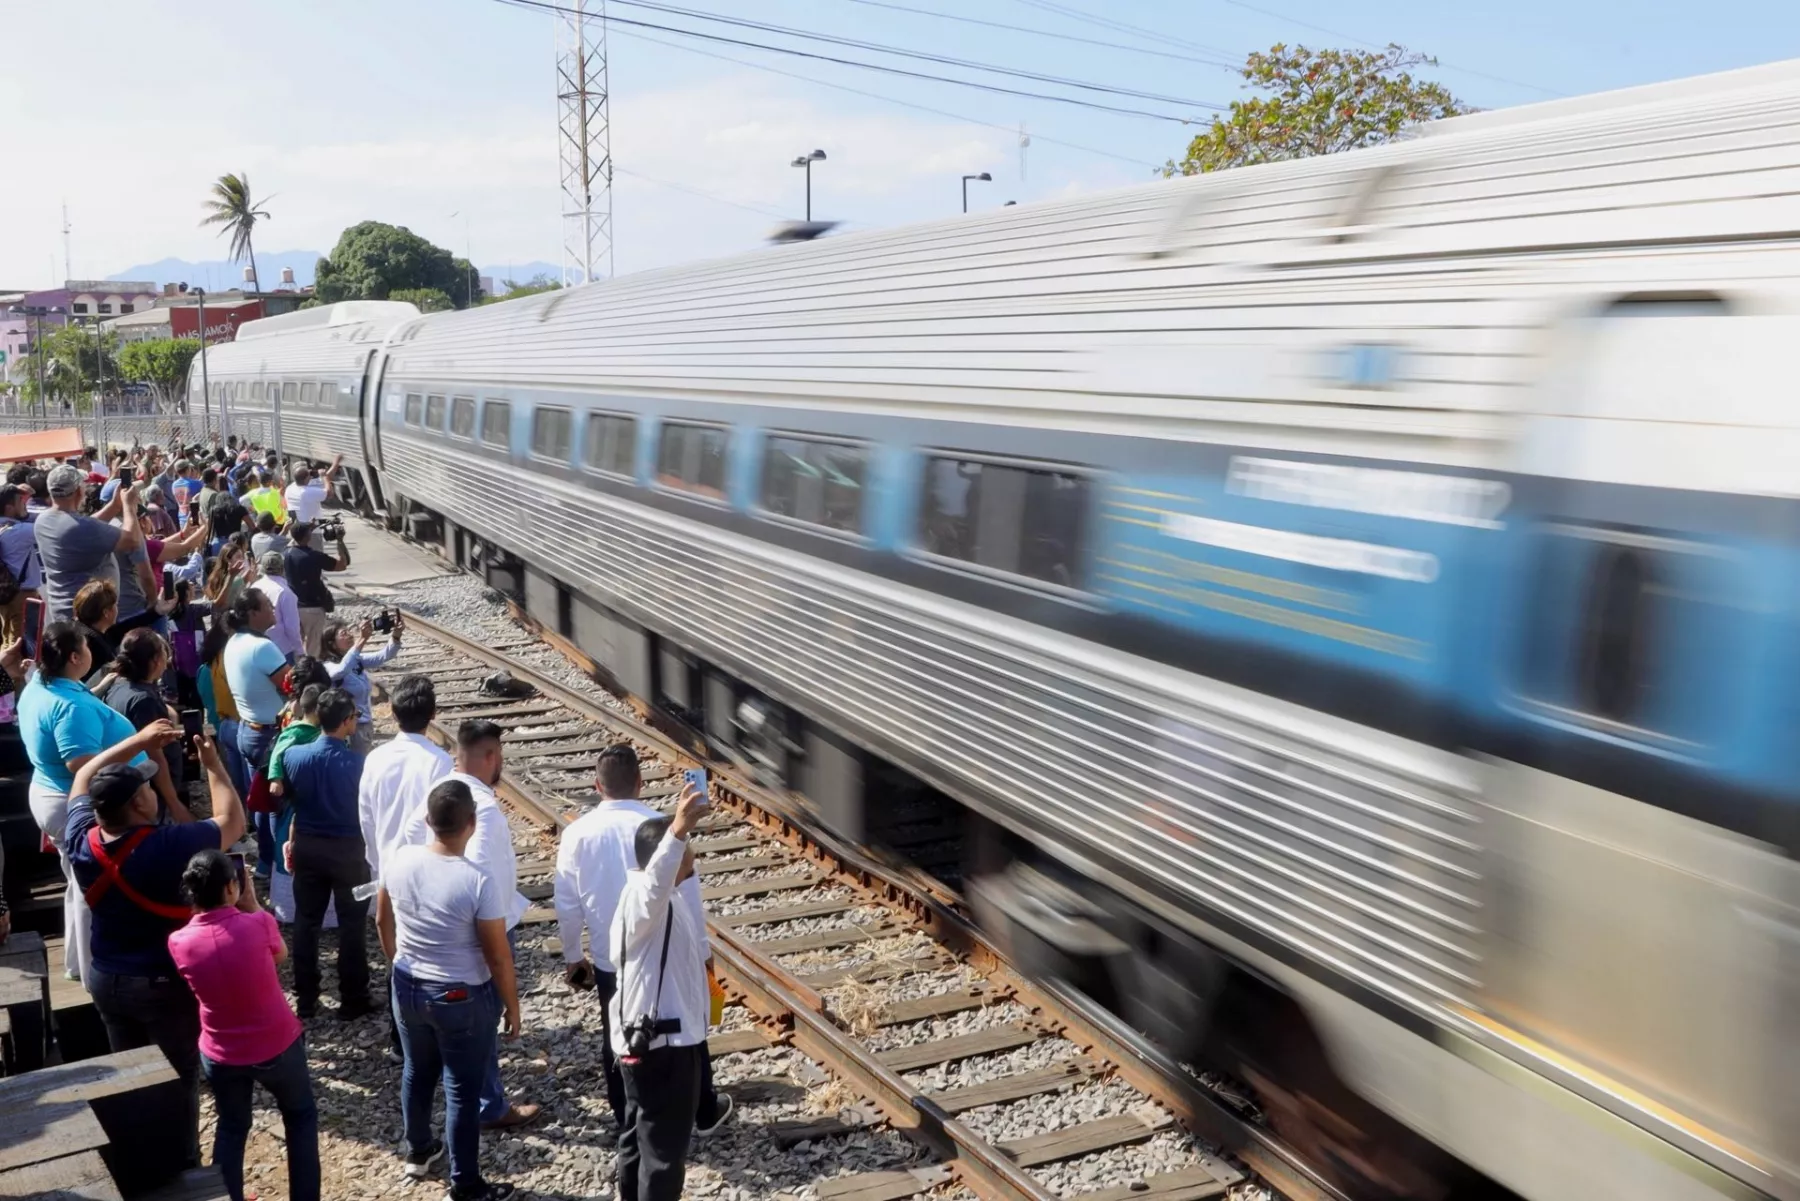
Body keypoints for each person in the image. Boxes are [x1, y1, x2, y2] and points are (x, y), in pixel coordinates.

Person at [66, 721, 248, 1169]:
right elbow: (233, 821)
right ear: (138, 803)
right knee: (178, 1077)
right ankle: (182, 1166)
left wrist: (136, 744)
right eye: (146, 788)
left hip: (107, 975)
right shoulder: (167, 845)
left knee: (129, 1075)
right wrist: (213, 765)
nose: (152, 791)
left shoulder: (82, 840)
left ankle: (137, 1159)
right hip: (162, 981)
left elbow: (80, 779)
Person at [555, 744, 729, 1134]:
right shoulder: (665, 829)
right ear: (640, 782)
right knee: (687, 1027)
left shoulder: (576, 834)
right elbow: (689, 897)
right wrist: (703, 953)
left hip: (610, 958)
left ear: (597, 785)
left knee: (617, 1034)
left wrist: (573, 956)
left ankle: (628, 1117)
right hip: (667, 956)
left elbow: (566, 903)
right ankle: (701, 1110)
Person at [377, 779, 520, 1201]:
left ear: (428, 821)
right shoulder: (477, 881)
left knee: (417, 1072)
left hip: (407, 984)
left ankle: (419, 1151)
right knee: (461, 1088)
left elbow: (382, 918)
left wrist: (396, 961)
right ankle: (466, 1184)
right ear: (472, 825)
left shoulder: (400, 859)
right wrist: (511, 1005)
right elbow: (497, 957)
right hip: (460, 995)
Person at [403, 720, 537, 1130]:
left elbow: (410, 841)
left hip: (426, 925)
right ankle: (489, 1105)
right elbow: (482, 881)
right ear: (491, 756)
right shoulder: (486, 812)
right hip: (478, 929)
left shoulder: (436, 792)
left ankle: (423, 1138)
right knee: (480, 1025)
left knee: (424, 1056)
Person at [168, 848, 319, 1201]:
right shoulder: (258, 922)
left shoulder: (178, 942)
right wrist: (251, 904)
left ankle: (229, 1196)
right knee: (300, 1117)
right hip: (277, 1042)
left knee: (232, 1127)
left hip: (221, 1051)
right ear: (232, 887)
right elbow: (279, 955)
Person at [17, 620, 152, 984]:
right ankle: (96, 968)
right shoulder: (69, 707)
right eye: (86, 647)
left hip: (50, 793)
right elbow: (80, 764)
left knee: (79, 883)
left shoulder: (40, 682)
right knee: (93, 888)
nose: (92, 653)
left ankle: (80, 962)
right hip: (72, 801)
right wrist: (138, 743)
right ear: (75, 656)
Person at [610, 781, 712, 1201]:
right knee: (664, 1153)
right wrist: (678, 830)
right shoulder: (646, 898)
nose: (692, 858)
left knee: (640, 1135)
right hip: (663, 1045)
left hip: (655, 1038)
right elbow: (657, 882)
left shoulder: (658, 897)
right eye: (686, 852)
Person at [358, 673, 451, 1056]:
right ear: (432, 714)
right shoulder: (440, 761)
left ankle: (403, 1038)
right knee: (433, 954)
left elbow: (365, 815)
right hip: (427, 872)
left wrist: (376, 859)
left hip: (386, 867)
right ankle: (436, 1033)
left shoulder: (375, 758)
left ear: (392, 713)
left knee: (397, 955)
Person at [280, 687, 375, 1020]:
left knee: (306, 923)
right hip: (349, 851)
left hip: (307, 845)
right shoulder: (358, 763)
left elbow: (289, 799)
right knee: (352, 925)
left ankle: (306, 998)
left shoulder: (293, 757)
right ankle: (353, 997)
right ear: (347, 721)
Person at [223, 588, 291, 872]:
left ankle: (264, 864)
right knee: (278, 806)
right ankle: (280, 868)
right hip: (268, 736)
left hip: (247, 731)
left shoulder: (234, 642)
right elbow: (291, 684)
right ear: (252, 613)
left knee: (261, 803)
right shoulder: (263, 647)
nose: (273, 608)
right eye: (267, 605)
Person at [102, 628, 192, 821]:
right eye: (164, 653)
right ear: (154, 660)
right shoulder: (143, 700)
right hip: (151, 793)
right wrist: (174, 803)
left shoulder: (120, 684)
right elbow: (156, 756)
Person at [36, 463, 143, 621]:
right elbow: (132, 541)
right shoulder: (82, 528)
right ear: (79, 491)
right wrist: (129, 507)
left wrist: (114, 505)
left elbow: (87, 526)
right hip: (89, 618)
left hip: (64, 612)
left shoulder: (44, 520)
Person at [322, 614, 399, 753]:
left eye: (349, 631)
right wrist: (362, 639)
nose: (350, 635)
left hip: (364, 724)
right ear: (332, 644)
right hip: (347, 728)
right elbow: (340, 671)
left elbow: (383, 656)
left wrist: (396, 636)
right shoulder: (329, 665)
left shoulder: (357, 660)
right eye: (344, 634)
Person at [286, 523, 349, 658]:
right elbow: (342, 565)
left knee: (296, 644)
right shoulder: (314, 556)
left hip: (293, 606)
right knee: (314, 646)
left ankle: (297, 669)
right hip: (313, 607)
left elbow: (295, 538)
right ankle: (310, 672)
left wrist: (306, 529)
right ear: (308, 536)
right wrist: (339, 541)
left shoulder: (286, 554)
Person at [0, 483, 42, 648]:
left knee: (6, 642)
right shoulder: (20, 531)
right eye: (21, 501)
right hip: (22, 595)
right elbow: (49, 522)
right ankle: (16, 675)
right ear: (9, 507)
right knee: (21, 648)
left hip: (3, 595)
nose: (24, 504)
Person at [251, 551, 302, 661]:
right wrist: (300, 650)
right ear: (282, 568)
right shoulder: (285, 592)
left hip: (257, 646)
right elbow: (292, 627)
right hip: (282, 649)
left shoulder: (254, 587)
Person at [72, 580, 120, 688]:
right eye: (115, 605)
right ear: (106, 613)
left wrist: (156, 612)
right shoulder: (96, 645)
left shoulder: (74, 628)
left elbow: (123, 628)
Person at [283, 456, 343, 526]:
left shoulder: (290, 488)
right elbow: (329, 493)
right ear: (305, 479)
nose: (310, 477)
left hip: (295, 526)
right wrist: (324, 476)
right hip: (310, 527)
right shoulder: (307, 492)